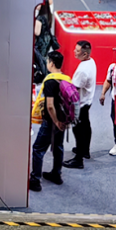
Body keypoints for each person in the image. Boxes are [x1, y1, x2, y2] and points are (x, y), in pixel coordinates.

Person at [29, 50, 68, 191]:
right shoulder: (66, 79)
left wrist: (55, 121)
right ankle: (56, 174)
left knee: (38, 149)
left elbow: (50, 106)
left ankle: (35, 180)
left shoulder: (50, 81)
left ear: (51, 63)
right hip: (63, 119)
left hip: (51, 121)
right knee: (58, 147)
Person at [64, 40, 96, 169]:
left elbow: (74, 90)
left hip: (80, 104)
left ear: (85, 54)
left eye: (77, 51)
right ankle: (85, 151)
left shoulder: (83, 70)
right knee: (86, 126)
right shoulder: (91, 62)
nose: (74, 52)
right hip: (87, 101)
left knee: (78, 130)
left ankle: (78, 160)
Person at [33, 0, 58, 83]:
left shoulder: (39, 18)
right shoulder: (48, 15)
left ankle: (42, 74)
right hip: (47, 41)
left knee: (39, 59)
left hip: (40, 43)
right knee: (44, 58)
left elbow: (37, 32)